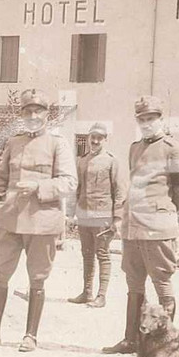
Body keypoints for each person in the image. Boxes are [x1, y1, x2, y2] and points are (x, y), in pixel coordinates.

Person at [0, 89, 77, 351]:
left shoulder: (57, 144)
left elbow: (69, 182)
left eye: (37, 111)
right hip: (11, 221)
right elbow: (1, 176)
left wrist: (40, 188)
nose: (32, 116)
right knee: (0, 274)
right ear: (22, 114)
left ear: (46, 114)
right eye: (27, 111)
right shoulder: (13, 142)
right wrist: (3, 198)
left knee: (37, 278)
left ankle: (31, 335)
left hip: (42, 221)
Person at [103, 96, 179, 356]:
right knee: (134, 283)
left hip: (157, 225)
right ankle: (131, 341)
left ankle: (166, 344)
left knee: (162, 281)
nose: (146, 124)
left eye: (151, 119)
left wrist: (162, 210)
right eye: (141, 119)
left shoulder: (173, 148)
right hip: (133, 226)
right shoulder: (134, 148)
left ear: (161, 120)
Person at [68, 122, 125, 309]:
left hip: (103, 216)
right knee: (86, 254)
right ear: (88, 139)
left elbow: (119, 190)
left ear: (105, 140)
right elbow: (76, 189)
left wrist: (117, 218)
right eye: (92, 137)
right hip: (84, 215)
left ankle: (101, 296)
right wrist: (71, 214)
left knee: (102, 254)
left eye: (99, 138)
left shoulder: (111, 161)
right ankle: (87, 292)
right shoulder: (82, 160)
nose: (95, 141)